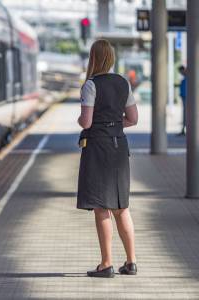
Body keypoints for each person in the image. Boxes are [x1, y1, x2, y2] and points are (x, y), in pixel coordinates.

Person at [77, 39, 139, 278]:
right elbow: (133, 119)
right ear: (111, 57)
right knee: (122, 207)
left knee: (102, 207)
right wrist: (113, 125)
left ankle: (106, 264)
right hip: (119, 147)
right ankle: (131, 262)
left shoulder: (91, 85)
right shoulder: (123, 82)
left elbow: (87, 122)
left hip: (99, 148)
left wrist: (84, 122)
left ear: (93, 58)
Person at [178, 65, 187, 136]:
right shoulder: (184, 79)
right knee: (184, 114)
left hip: (187, 98)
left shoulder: (188, 78)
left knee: (186, 114)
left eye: (181, 72)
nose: (180, 73)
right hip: (184, 98)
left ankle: (185, 129)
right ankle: (183, 129)